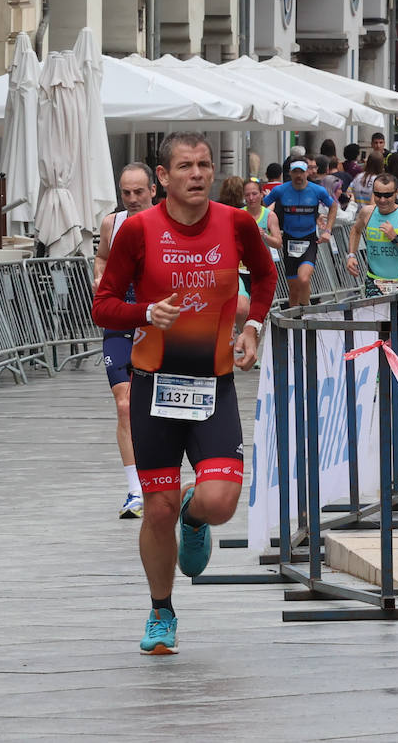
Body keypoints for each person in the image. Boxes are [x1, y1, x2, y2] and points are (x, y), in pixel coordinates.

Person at [91, 131, 278, 656]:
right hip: (155, 386)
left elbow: (265, 278)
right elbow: (103, 306)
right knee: (157, 510)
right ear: (163, 178)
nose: (197, 173)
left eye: (204, 164)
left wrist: (253, 329)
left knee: (218, 502)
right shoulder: (139, 231)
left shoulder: (236, 223)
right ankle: (161, 610)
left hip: (212, 383)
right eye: (185, 166)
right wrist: (145, 313)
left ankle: (196, 519)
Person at [93, 163, 158, 519]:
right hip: (119, 319)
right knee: (124, 405)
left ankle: (160, 482)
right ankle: (134, 490)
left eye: (138, 192)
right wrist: (99, 278)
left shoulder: (169, 224)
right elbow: (101, 256)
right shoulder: (111, 224)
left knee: (157, 405)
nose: (132, 200)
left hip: (157, 323)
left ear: (153, 191)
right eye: (125, 193)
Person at [264, 158, 337, 307]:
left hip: (309, 240)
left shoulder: (317, 190)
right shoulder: (280, 190)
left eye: (301, 172)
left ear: (306, 173)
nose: (298, 176)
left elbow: (333, 206)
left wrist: (328, 230)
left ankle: (306, 310)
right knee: (293, 289)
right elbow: (263, 207)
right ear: (290, 173)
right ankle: (294, 322)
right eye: (295, 172)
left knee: (303, 279)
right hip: (289, 240)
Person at [345, 173, 398, 296]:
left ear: (396, 192)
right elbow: (356, 230)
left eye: (387, 195)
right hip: (373, 282)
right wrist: (351, 255)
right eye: (378, 195)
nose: (382, 200)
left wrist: (395, 238)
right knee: (376, 316)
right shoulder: (367, 212)